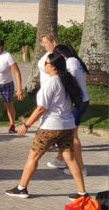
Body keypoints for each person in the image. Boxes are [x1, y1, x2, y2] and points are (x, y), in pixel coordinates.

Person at [5, 53, 87, 199]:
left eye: (47, 63)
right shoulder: (67, 81)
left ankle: (21, 188)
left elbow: (41, 108)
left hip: (50, 127)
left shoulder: (51, 83)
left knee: (33, 156)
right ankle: (82, 192)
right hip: (67, 125)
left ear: (54, 67)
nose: (44, 65)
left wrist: (26, 124)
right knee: (70, 157)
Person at [52, 44, 90, 186]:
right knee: (68, 134)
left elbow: (70, 85)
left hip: (77, 103)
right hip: (82, 101)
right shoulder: (76, 61)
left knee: (73, 136)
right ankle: (61, 159)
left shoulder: (70, 65)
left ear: (61, 55)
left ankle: (81, 167)